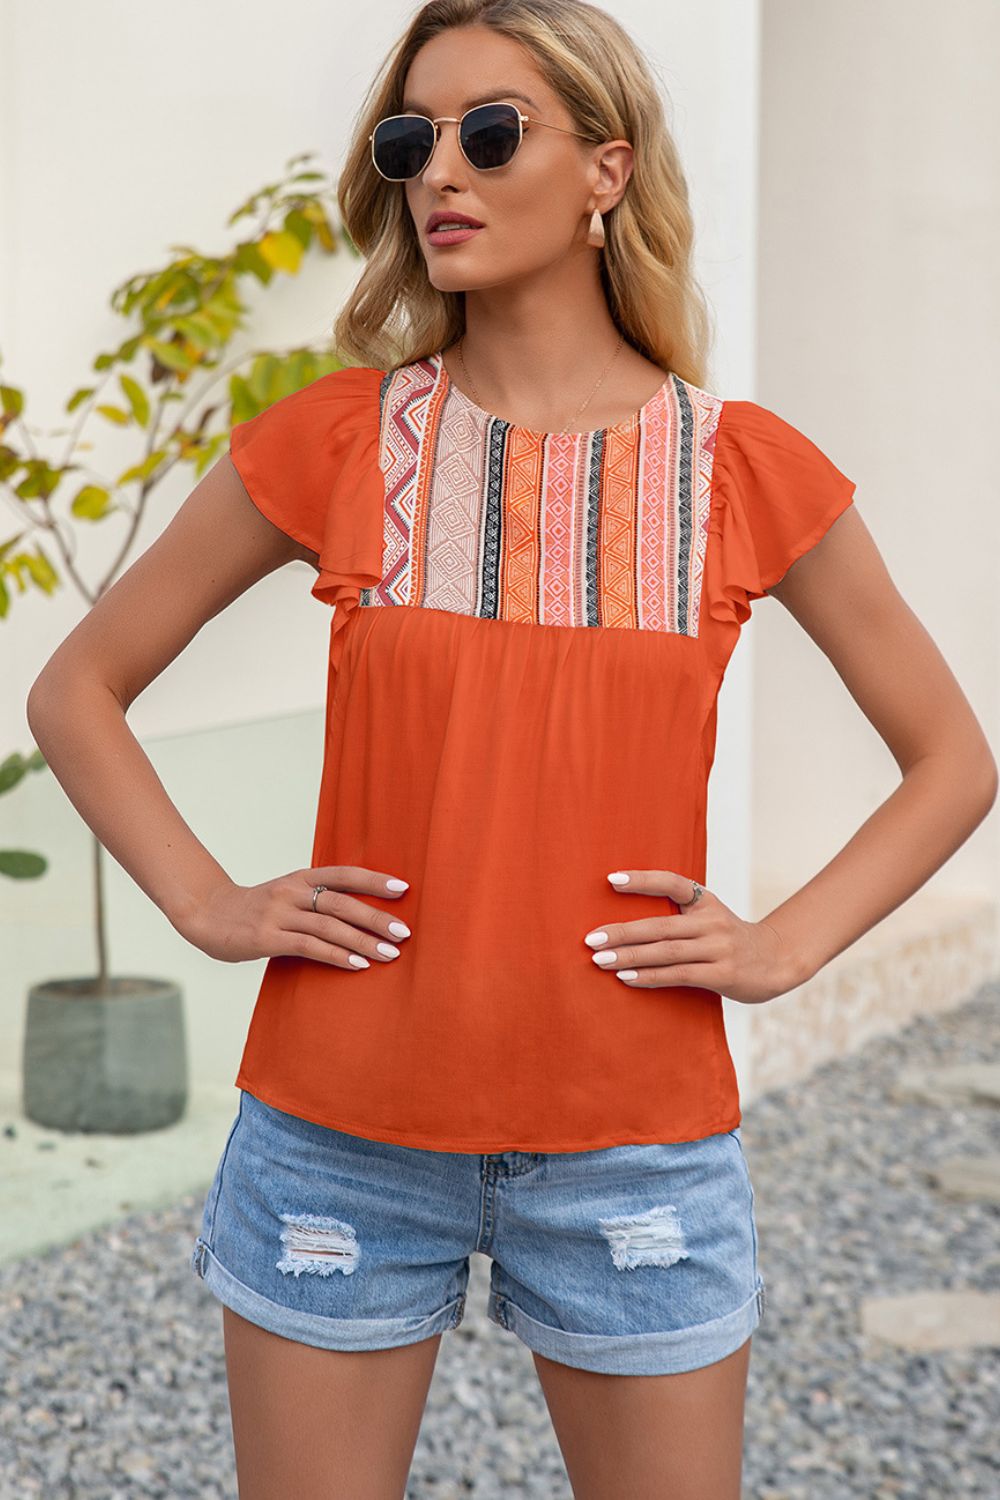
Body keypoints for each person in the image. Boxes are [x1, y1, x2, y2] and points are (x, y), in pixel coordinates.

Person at [26, 2, 997, 1497]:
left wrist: (785, 945)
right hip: (339, 1136)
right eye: (412, 140)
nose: (441, 173)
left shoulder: (740, 469)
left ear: (608, 169)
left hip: (635, 1147)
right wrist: (208, 903)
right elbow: (77, 688)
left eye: (492, 133)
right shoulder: (339, 442)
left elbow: (951, 758)